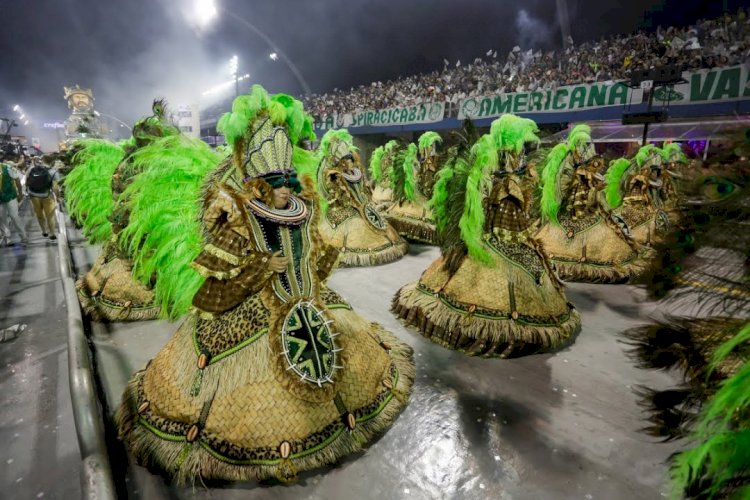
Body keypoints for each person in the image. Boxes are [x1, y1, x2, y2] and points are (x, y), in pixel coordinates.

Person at [115, 86, 414, 484]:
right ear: (258, 185)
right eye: (278, 181)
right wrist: (261, 265)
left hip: (306, 303)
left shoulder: (302, 211)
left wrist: (324, 254)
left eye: (290, 179)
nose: (287, 187)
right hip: (250, 313)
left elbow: (313, 263)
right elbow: (211, 293)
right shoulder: (236, 218)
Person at [392, 115, 580, 357]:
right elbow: (482, 202)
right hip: (491, 237)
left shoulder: (516, 173)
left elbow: (526, 201)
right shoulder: (494, 175)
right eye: (515, 150)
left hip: (518, 236)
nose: (519, 155)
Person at [305, 129, 408, 267]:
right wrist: (349, 200)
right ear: (338, 162)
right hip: (340, 209)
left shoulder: (355, 172)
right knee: (356, 225)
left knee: (376, 227)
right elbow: (335, 197)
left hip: (361, 207)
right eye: (344, 161)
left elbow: (363, 191)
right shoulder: (333, 175)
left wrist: (363, 202)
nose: (348, 163)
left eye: (349, 160)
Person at [25, 156, 60, 240]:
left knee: (39, 214)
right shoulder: (53, 171)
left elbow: (27, 182)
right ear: (53, 162)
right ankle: (52, 233)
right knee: (50, 216)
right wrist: (58, 197)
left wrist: (28, 191)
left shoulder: (32, 169)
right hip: (47, 196)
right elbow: (55, 187)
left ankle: (44, 231)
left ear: (42, 160)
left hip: (34, 195)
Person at [0, 154, 28, 247]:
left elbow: (17, 180)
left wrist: (20, 193)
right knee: (1, 218)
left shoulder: (7, 168)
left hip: (10, 196)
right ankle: (7, 238)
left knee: (14, 216)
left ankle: (23, 237)